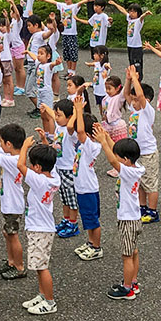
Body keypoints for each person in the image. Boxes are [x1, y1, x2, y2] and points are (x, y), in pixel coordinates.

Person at [96, 124, 143, 299]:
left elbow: (113, 161)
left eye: (119, 156)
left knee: (127, 255)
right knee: (134, 251)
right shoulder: (136, 167)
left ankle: (127, 288)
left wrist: (103, 143)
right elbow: (116, 153)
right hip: (134, 217)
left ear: (126, 159)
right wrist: (106, 136)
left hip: (128, 220)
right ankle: (133, 281)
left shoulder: (128, 172)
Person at [17, 136, 61, 315]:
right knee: (38, 265)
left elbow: (20, 166)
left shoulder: (39, 180)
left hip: (39, 229)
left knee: (42, 267)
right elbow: (51, 159)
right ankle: (43, 295)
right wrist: (44, 142)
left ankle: (50, 302)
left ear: (37, 167)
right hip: (43, 227)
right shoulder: (53, 177)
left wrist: (25, 147)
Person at [0, 122, 28, 280]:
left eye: (2, 141)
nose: (0, 143)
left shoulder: (13, 160)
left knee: (13, 235)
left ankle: (20, 266)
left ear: (9, 144)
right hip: (9, 203)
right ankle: (11, 262)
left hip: (13, 205)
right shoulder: (12, 154)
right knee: (7, 233)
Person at [70, 97, 105, 261]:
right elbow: (74, 129)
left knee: (92, 219)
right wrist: (78, 113)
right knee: (87, 218)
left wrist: (78, 110)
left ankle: (97, 247)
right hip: (82, 187)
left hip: (88, 188)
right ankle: (91, 242)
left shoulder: (93, 146)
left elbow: (81, 132)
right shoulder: (83, 144)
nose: (78, 132)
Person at [124, 65, 160, 223]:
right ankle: (142, 206)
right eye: (133, 100)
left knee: (150, 182)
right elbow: (127, 94)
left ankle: (153, 211)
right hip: (136, 153)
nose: (133, 101)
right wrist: (128, 80)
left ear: (146, 100)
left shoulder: (147, 110)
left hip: (148, 152)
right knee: (139, 181)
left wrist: (136, 80)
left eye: (136, 99)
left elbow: (139, 94)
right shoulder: (134, 109)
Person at [46, 99, 81, 239]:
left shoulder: (71, 131)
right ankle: (66, 220)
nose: (56, 117)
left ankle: (73, 224)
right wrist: (47, 108)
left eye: (59, 115)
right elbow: (53, 115)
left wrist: (77, 111)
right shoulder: (59, 126)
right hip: (59, 167)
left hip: (69, 169)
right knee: (64, 197)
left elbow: (71, 125)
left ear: (69, 117)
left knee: (72, 199)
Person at [37, 0, 91, 77]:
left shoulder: (73, 7)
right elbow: (53, 2)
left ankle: (73, 72)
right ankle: (69, 71)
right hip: (64, 33)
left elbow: (80, 3)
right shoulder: (62, 5)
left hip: (72, 34)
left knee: (73, 53)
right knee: (66, 53)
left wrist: (87, 0)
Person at [108, 0, 153, 79]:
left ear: (138, 13)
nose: (131, 13)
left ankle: (138, 80)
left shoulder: (138, 21)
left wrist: (145, 14)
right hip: (130, 46)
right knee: (131, 63)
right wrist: (115, 4)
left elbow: (142, 17)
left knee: (137, 64)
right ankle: (133, 79)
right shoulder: (129, 19)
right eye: (130, 11)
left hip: (137, 47)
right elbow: (123, 10)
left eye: (134, 12)